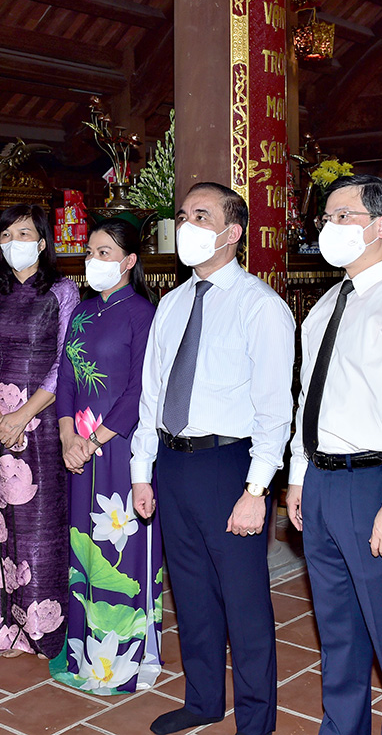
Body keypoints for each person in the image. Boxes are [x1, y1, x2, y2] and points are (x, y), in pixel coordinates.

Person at [132, 182, 295, 735]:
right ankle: (202, 700)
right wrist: (142, 471)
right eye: (182, 216)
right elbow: (152, 396)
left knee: (243, 602)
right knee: (191, 591)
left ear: (232, 232)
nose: (186, 226)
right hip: (173, 463)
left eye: (200, 216)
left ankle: (256, 720)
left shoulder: (261, 306)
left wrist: (257, 491)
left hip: (229, 465)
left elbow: (275, 410)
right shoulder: (172, 304)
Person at [285, 174, 382, 735]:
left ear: (380, 226)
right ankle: (342, 726)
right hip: (322, 480)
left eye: (342, 216)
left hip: (376, 481)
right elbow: (309, 397)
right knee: (338, 630)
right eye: (326, 218)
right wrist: (299, 474)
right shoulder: (327, 304)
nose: (329, 227)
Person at [49, 219, 162, 695]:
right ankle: (82, 651)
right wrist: (66, 436)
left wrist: (93, 440)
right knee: (84, 547)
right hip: (79, 447)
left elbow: (140, 390)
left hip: (121, 446)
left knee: (122, 548)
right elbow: (65, 378)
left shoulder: (143, 314)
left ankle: (126, 660)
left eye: (104, 252)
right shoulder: (82, 311)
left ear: (129, 261)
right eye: (90, 251)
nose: (92, 260)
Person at [0, 203, 79, 657]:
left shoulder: (63, 291)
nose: (15, 242)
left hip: (43, 419)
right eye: (7, 235)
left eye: (25, 233)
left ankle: (41, 630)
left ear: (43, 241)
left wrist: (20, 417)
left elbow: (65, 361)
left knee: (38, 523)